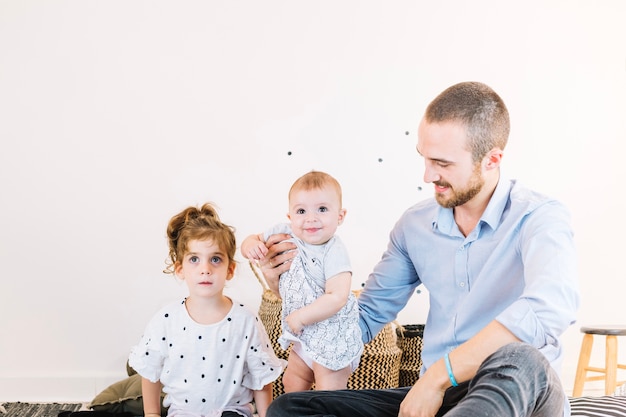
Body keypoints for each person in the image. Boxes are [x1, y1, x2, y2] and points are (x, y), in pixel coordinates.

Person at [261, 82, 579, 417]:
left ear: (492, 159)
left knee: (521, 355)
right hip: (437, 399)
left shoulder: (539, 217)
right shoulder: (414, 226)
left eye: (442, 163)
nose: (428, 175)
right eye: (424, 159)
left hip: (516, 393)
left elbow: (549, 309)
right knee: (291, 408)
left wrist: (438, 377)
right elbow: (362, 319)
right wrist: (290, 286)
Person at [128, 203, 286, 417]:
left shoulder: (245, 320)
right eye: (194, 259)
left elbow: (260, 376)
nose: (205, 269)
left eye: (215, 259)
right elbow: (150, 370)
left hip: (231, 412)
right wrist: (152, 414)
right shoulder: (166, 319)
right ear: (180, 269)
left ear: (229, 270)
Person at [241, 170, 363, 392]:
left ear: (340, 216)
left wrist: (301, 317)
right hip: (304, 339)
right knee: (292, 382)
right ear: (290, 217)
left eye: (322, 209)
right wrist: (251, 246)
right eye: (301, 211)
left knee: (329, 394)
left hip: (330, 337)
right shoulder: (287, 233)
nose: (311, 218)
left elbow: (337, 296)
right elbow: (253, 238)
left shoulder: (333, 250)